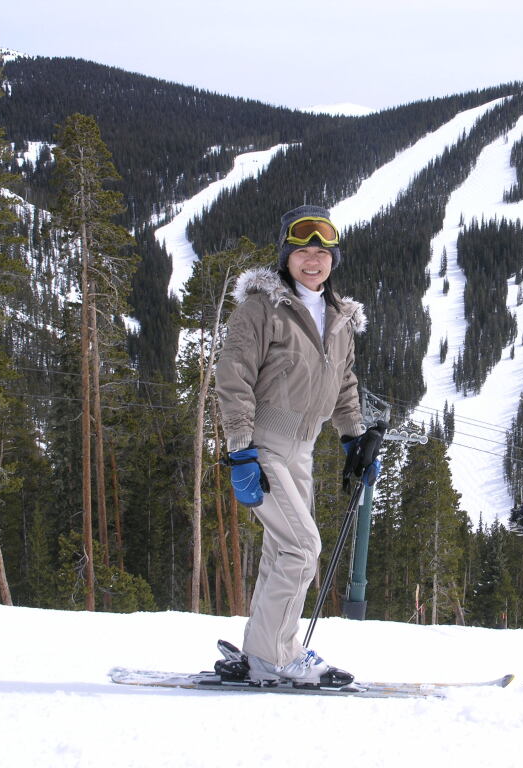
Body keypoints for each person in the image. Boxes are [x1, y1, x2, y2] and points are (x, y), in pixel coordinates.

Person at [215, 204, 377, 685]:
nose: (313, 260)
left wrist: (352, 440)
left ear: (334, 259)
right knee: (303, 548)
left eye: (323, 252)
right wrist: (241, 449)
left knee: (282, 549)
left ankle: (262, 648)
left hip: (302, 448)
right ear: (286, 256)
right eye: (303, 251)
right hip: (263, 444)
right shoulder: (260, 310)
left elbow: (344, 382)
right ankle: (275, 656)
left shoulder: (338, 317)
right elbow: (234, 378)